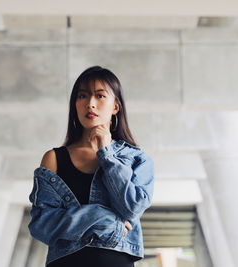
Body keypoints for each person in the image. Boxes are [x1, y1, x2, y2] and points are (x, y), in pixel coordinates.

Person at [28, 65, 155, 267]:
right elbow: (41, 225)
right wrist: (102, 218)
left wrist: (106, 155)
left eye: (100, 96)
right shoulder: (54, 158)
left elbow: (131, 209)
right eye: (82, 96)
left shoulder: (137, 159)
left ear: (115, 106)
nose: (90, 104)